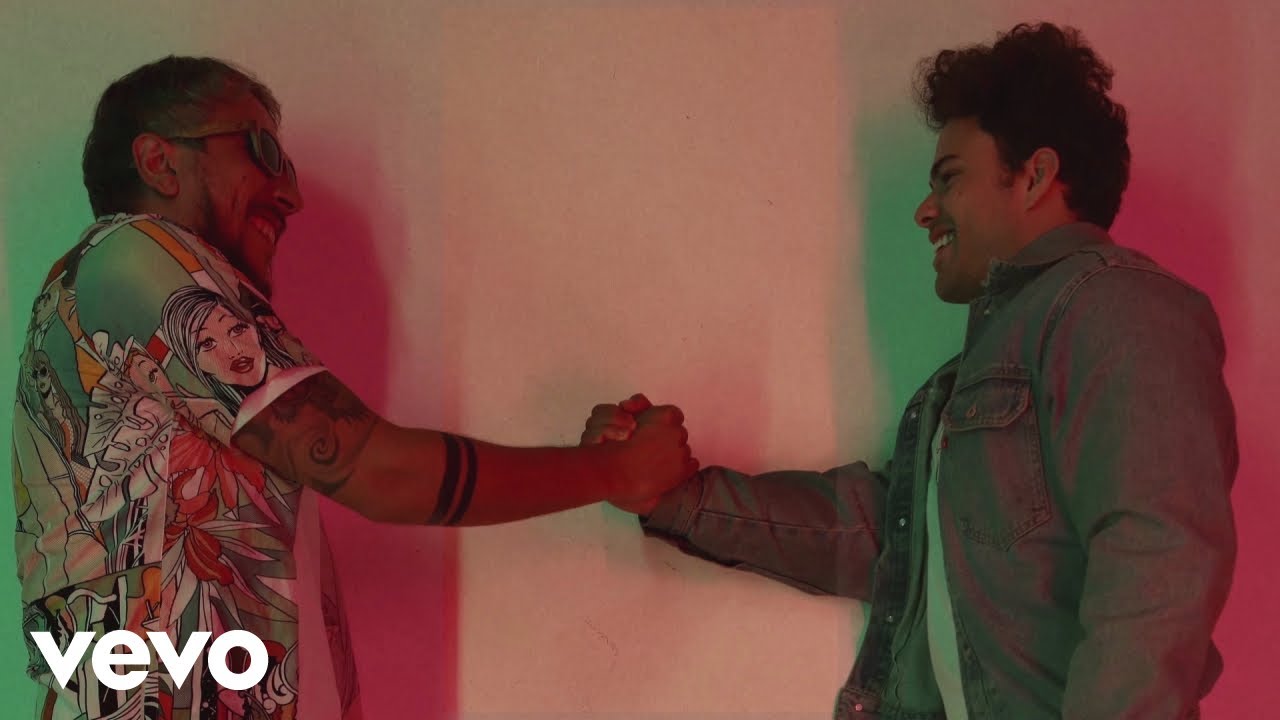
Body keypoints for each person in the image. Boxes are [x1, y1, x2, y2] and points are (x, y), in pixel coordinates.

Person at [10, 56, 698, 720]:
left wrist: (598, 465)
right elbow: (377, 470)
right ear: (160, 162)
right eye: (261, 151)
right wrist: (616, 470)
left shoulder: (159, 345)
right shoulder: (129, 254)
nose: (291, 195)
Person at [583, 22, 1236, 719]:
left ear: (1036, 176)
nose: (926, 211)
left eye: (949, 179)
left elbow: (1159, 560)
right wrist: (670, 495)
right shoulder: (975, 377)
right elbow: (888, 538)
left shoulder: (1121, 304)